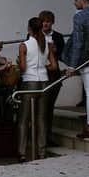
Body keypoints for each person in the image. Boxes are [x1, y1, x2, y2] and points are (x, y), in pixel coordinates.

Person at [17, 16, 56, 160]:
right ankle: (42, 151)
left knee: (23, 119)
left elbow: (22, 67)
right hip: (44, 81)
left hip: (29, 81)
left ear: (29, 29)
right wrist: (42, 65)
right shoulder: (48, 44)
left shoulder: (24, 45)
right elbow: (54, 66)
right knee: (41, 119)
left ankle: (21, 152)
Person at [64, 0, 89, 140]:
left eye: (75, 0)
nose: (73, 3)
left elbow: (78, 43)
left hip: (86, 60)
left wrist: (72, 66)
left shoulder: (79, 17)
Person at [38, 10, 65, 143]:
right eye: (43, 21)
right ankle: (40, 136)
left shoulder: (58, 37)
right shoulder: (34, 35)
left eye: (48, 21)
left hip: (54, 74)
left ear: (52, 22)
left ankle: (47, 136)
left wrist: (56, 51)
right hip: (40, 73)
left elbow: (63, 55)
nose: (45, 24)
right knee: (40, 106)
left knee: (49, 106)